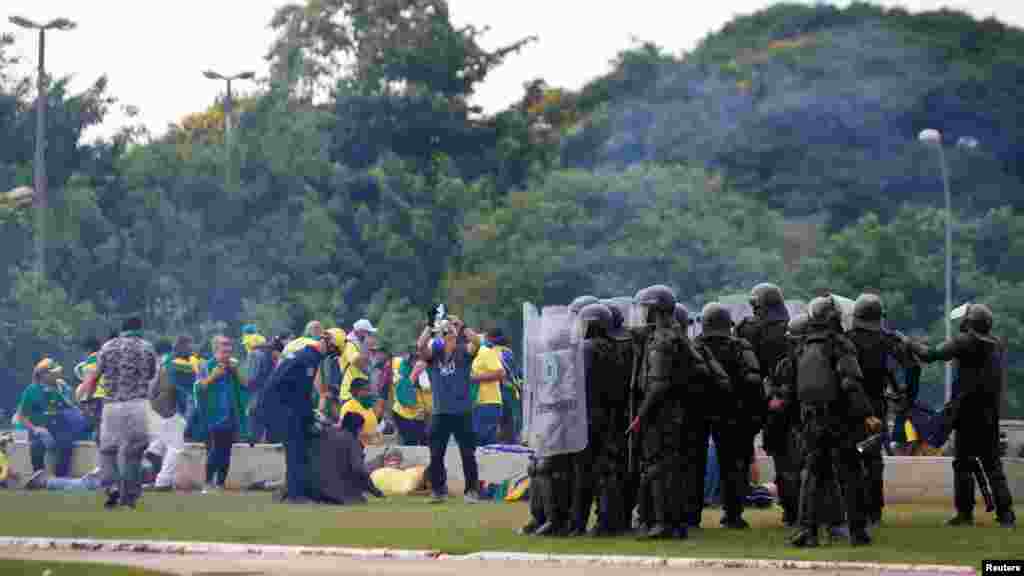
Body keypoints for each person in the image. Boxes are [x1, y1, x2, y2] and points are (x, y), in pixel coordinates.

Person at [782, 296, 878, 547]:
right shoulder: (839, 344)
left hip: (810, 420)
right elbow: (850, 381)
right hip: (839, 419)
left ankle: (807, 531)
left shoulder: (801, 346)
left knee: (812, 474)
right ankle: (858, 532)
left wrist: (795, 421)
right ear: (834, 318)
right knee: (851, 473)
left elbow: (790, 388)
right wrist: (867, 413)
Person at [910, 303, 1016, 528]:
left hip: (967, 413)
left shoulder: (964, 342)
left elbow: (930, 355)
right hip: (989, 412)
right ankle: (1006, 515)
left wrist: (907, 342)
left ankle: (965, 514)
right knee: (992, 465)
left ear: (970, 323)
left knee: (963, 465)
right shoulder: (996, 345)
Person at [627, 285, 708, 540]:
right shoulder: (675, 335)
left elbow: (659, 383)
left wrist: (640, 415)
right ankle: (674, 523)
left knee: (658, 468)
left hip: (661, 413)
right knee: (669, 467)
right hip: (672, 413)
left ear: (656, 310)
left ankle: (663, 523)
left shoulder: (662, 340)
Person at [846, 293, 918, 527]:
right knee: (873, 460)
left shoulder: (845, 339)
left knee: (850, 458)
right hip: (876, 406)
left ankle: (853, 511)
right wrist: (908, 395)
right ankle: (874, 513)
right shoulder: (888, 340)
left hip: (850, 405)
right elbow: (913, 366)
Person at [77, 317, 159, 510]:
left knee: (108, 450)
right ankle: (129, 498)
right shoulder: (147, 347)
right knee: (133, 453)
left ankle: (112, 487)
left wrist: (87, 398)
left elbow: (94, 377)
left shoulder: (107, 347)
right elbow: (151, 376)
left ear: (122, 329)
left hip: (112, 405)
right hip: (138, 404)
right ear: (140, 329)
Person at [694, 302, 762, 530]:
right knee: (735, 466)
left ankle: (692, 516)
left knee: (695, 464)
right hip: (735, 413)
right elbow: (753, 379)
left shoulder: (696, 346)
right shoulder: (740, 346)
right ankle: (733, 515)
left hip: (701, 413)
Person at [735, 282, 794, 526]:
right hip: (781, 399)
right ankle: (791, 511)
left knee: (739, 456)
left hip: (752, 399)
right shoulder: (789, 330)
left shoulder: (747, 330)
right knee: (785, 456)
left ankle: (733, 512)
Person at [260, 331, 342, 503]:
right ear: (327, 342)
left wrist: (310, 415)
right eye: (333, 351)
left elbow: (298, 391)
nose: (330, 355)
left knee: (300, 449)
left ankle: (292, 491)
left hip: (285, 406)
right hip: (282, 408)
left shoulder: (307, 355)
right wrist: (310, 416)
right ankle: (295, 496)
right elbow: (300, 393)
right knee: (296, 450)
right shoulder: (307, 359)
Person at [417, 315, 484, 504]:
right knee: (436, 453)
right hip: (440, 412)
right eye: (445, 332)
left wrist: (462, 326)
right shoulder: (434, 354)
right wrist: (430, 325)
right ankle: (438, 491)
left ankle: (472, 490)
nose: (448, 334)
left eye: (451, 332)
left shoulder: (464, 351)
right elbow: (420, 346)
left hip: (462, 411)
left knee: (467, 453)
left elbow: (477, 342)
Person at [14, 359, 88, 479]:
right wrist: (36, 429)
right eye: (52, 373)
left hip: (59, 427)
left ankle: (61, 478)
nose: (56, 375)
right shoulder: (32, 390)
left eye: (56, 372)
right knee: (36, 446)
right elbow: (21, 417)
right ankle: (38, 476)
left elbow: (73, 409)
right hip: (39, 429)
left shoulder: (61, 388)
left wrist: (63, 391)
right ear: (43, 375)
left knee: (66, 444)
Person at [144, 336, 197, 491]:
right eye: (189, 347)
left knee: (166, 438)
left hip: (160, 407)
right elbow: (187, 385)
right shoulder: (176, 364)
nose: (192, 350)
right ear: (181, 347)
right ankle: (163, 482)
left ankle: (154, 450)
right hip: (170, 408)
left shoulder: (166, 363)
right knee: (176, 447)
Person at [195, 335, 246, 493]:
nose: (228, 350)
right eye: (224, 347)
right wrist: (213, 377)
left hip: (231, 415)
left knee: (226, 451)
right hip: (213, 415)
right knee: (215, 449)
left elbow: (245, 385)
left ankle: (221, 483)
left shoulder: (233, 366)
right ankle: (208, 483)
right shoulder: (205, 365)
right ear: (216, 349)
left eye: (229, 347)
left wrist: (236, 372)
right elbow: (198, 388)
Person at [315, 411, 385, 505]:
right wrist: (376, 491)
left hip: (320, 492)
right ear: (358, 429)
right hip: (343, 494)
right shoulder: (352, 441)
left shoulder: (327, 435)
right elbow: (358, 469)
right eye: (361, 428)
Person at [471, 331, 507, 447]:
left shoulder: (485, 352)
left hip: (489, 403)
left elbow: (501, 373)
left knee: (481, 442)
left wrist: (474, 378)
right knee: (479, 443)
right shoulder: (470, 356)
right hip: (475, 404)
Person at [391, 349, 428, 446]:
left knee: (426, 443)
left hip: (421, 415)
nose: (418, 362)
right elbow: (404, 395)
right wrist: (415, 373)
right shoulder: (402, 370)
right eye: (415, 359)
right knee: (410, 444)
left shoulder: (427, 372)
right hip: (404, 415)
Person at [338, 320, 375, 406]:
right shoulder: (349, 344)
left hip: (361, 393)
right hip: (350, 394)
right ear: (360, 332)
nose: (370, 336)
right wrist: (366, 346)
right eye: (368, 333)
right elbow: (359, 363)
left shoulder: (358, 345)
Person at [338, 378, 382, 446]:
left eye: (369, 390)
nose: (369, 393)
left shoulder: (368, 407)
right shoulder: (349, 407)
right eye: (365, 390)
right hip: (358, 449)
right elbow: (348, 433)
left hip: (372, 448)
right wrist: (370, 437)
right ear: (356, 391)